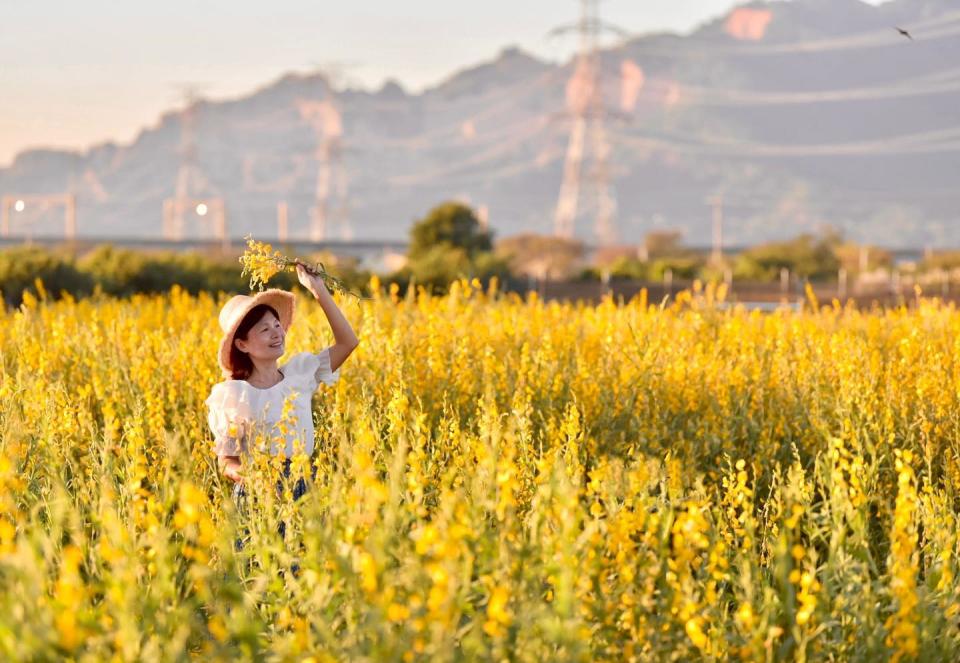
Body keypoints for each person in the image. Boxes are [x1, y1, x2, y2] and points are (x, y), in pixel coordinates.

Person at [205, 263, 359, 547]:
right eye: (264, 330)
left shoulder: (299, 374)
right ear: (242, 345)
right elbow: (227, 462)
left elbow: (348, 342)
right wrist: (258, 480)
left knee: (304, 580)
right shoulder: (234, 395)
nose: (277, 333)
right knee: (261, 581)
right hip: (256, 496)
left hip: (304, 489)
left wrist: (318, 290)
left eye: (277, 325)